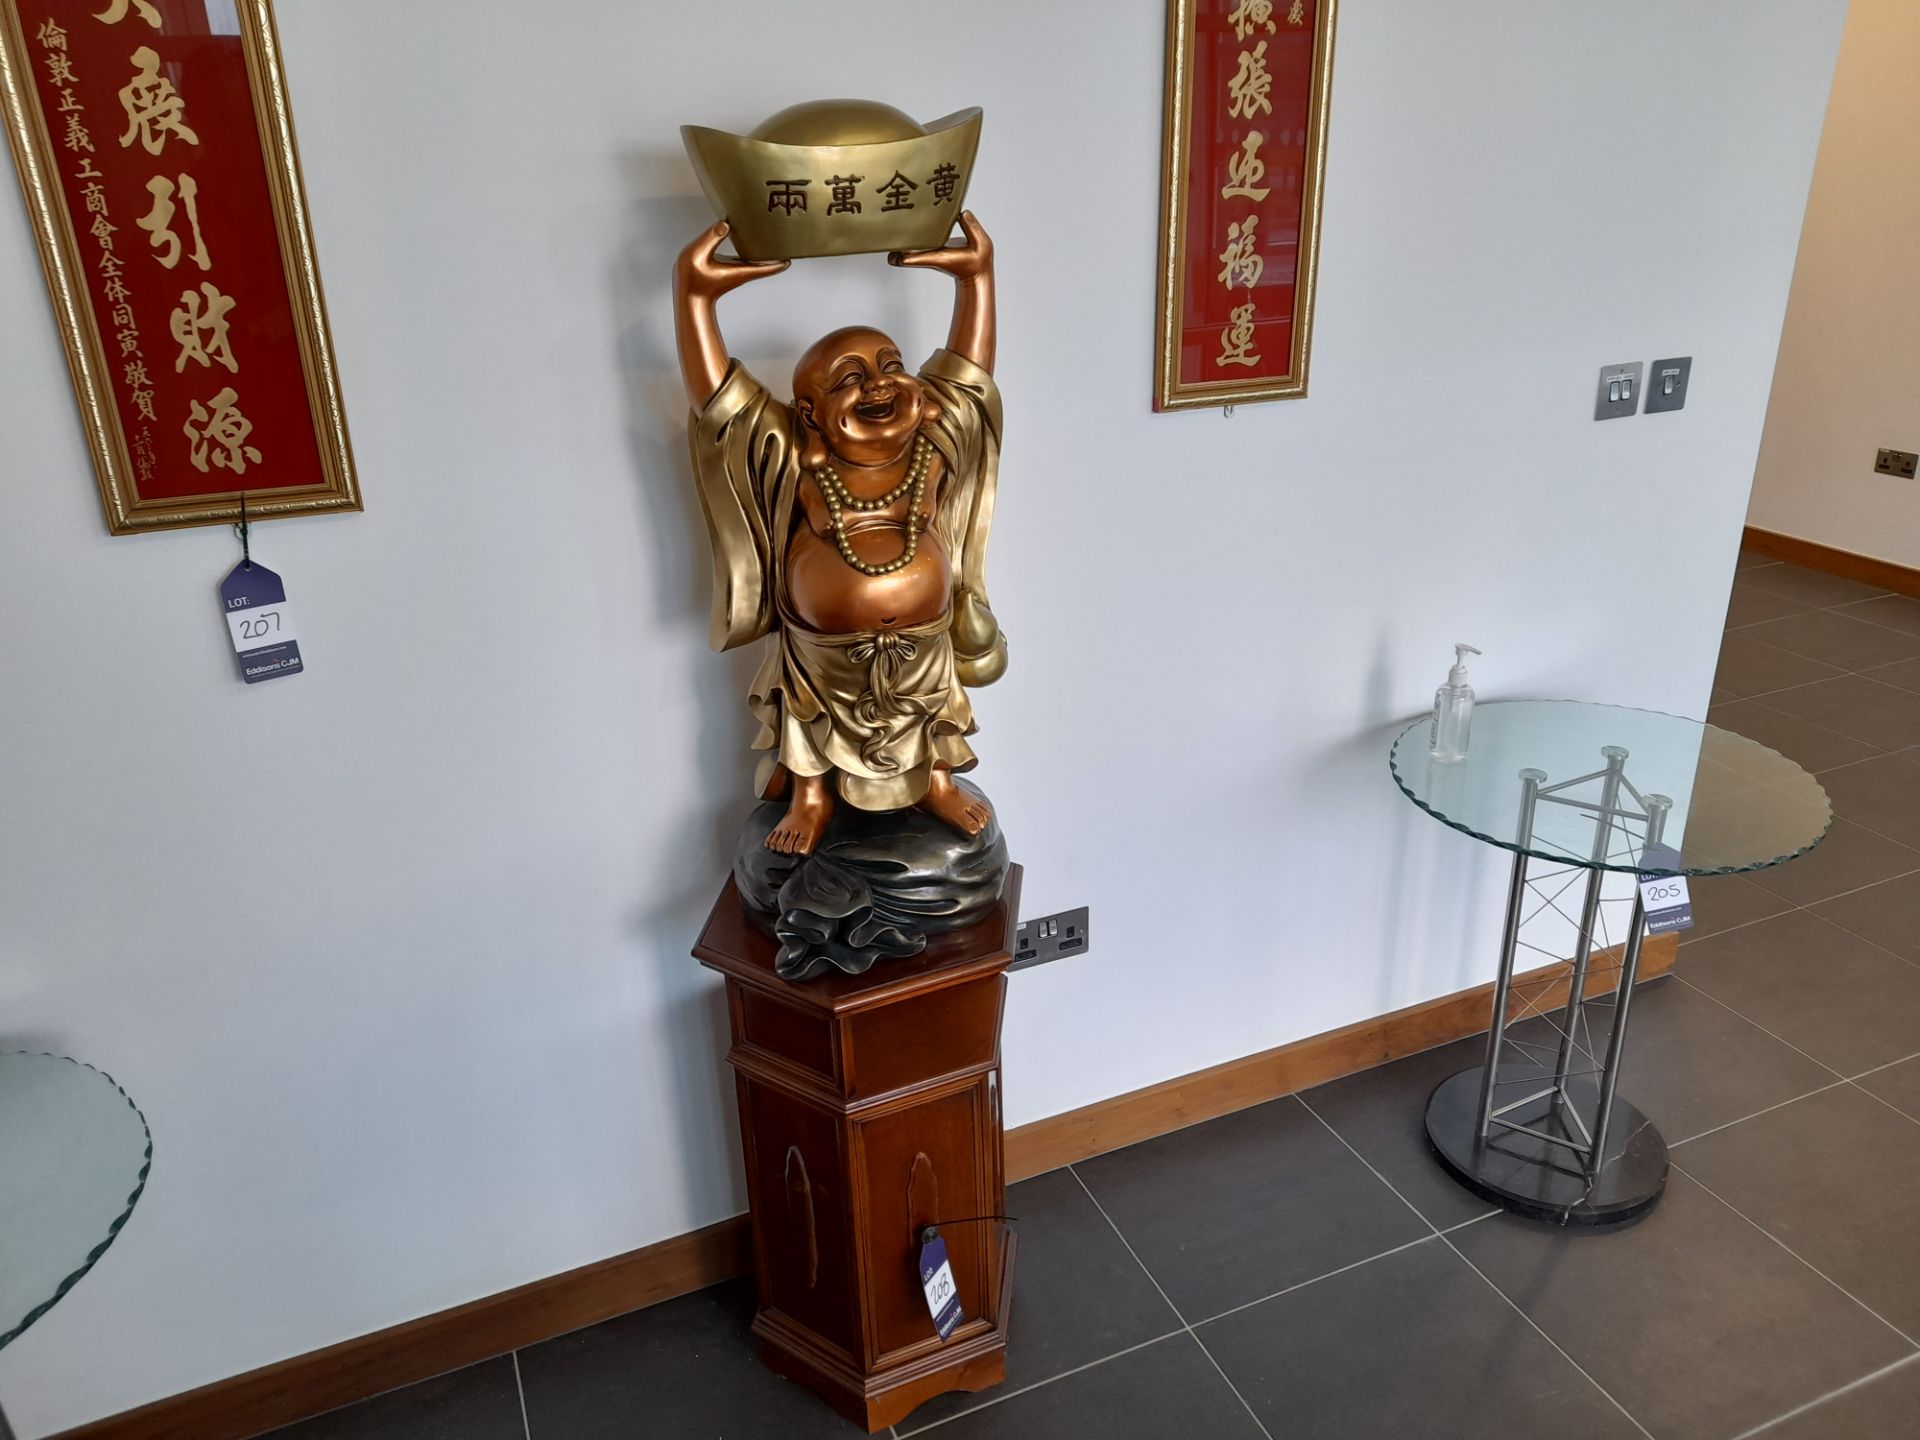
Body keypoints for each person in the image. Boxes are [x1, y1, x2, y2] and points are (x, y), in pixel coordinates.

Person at [674, 211, 1007, 857]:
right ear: (810, 414)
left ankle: (935, 781)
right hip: (821, 654)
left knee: (931, 712)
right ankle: (813, 796)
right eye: (851, 379)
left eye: (890, 365)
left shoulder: (931, 446)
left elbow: (970, 382)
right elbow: (724, 408)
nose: (880, 384)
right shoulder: (795, 460)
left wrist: (977, 283)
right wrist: (693, 300)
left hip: (924, 644)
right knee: (812, 721)